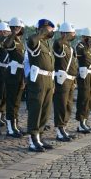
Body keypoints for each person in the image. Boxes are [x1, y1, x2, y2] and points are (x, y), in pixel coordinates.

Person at [26, 19, 55, 152]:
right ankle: (32, 139)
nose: (51, 31)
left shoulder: (47, 43)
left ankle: (40, 137)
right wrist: (42, 33)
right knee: (36, 109)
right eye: (49, 28)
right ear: (42, 28)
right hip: (38, 79)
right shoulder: (35, 40)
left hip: (48, 79)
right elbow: (31, 41)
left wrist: (53, 83)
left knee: (45, 110)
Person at [53, 22, 77, 142]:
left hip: (71, 80)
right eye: (72, 33)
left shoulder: (69, 46)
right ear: (65, 34)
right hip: (62, 79)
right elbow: (57, 43)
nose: (74, 35)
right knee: (60, 105)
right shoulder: (60, 44)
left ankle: (64, 127)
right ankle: (59, 130)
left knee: (68, 105)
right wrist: (63, 36)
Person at [3, 17, 26, 138]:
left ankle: (15, 125)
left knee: (17, 102)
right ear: (14, 27)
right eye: (18, 27)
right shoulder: (10, 39)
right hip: (12, 73)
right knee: (11, 102)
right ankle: (10, 128)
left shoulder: (19, 41)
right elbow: (6, 45)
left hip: (19, 73)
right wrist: (13, 33)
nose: (20, 30)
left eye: (20, 28)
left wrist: (23, 79)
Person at [75, 28, 91, 133]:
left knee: (89, 100)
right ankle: (81, 123)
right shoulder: (80, 46)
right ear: (85, 37)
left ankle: (85, 121)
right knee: (83, 99)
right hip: (84, 75)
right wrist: (87, 44)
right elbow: (78, 56)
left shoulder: (90, 49)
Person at [0, 22, 11, 127]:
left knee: (4, 95)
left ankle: (1, 115)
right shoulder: (1, 41)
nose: (7, 33)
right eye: (6, 32)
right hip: (0, 70)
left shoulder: (6, 41)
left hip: (6, 70)